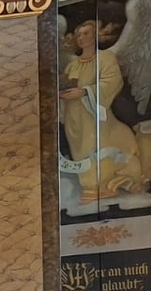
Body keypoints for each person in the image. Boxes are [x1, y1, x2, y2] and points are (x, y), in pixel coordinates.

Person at [61, 18, 144, 205]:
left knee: (96, 145)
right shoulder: (72, 65)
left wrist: (83, 91)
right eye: (78, 34)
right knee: (80, 148)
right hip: (73, 115)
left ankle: (101, 184)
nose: (81, 37)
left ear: (95, 36)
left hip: (95, 112)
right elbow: (65, 83)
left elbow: (112, 81)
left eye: (86, 33)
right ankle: (91, 185)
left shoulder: (105, 58)